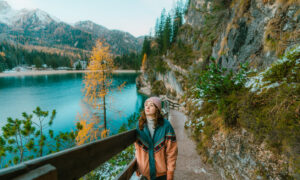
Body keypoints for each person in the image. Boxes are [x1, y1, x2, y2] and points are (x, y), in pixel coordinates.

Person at [134, 96, 178, 180]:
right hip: (145, 172)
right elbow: (137, 148)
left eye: (151, 105)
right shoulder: (140, 125)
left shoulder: (166, 126)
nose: (147, 107)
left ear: (157, 109)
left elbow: (172, 151)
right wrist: (137, 166)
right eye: (146, 105)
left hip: (161, 174)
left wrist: (170, 172)